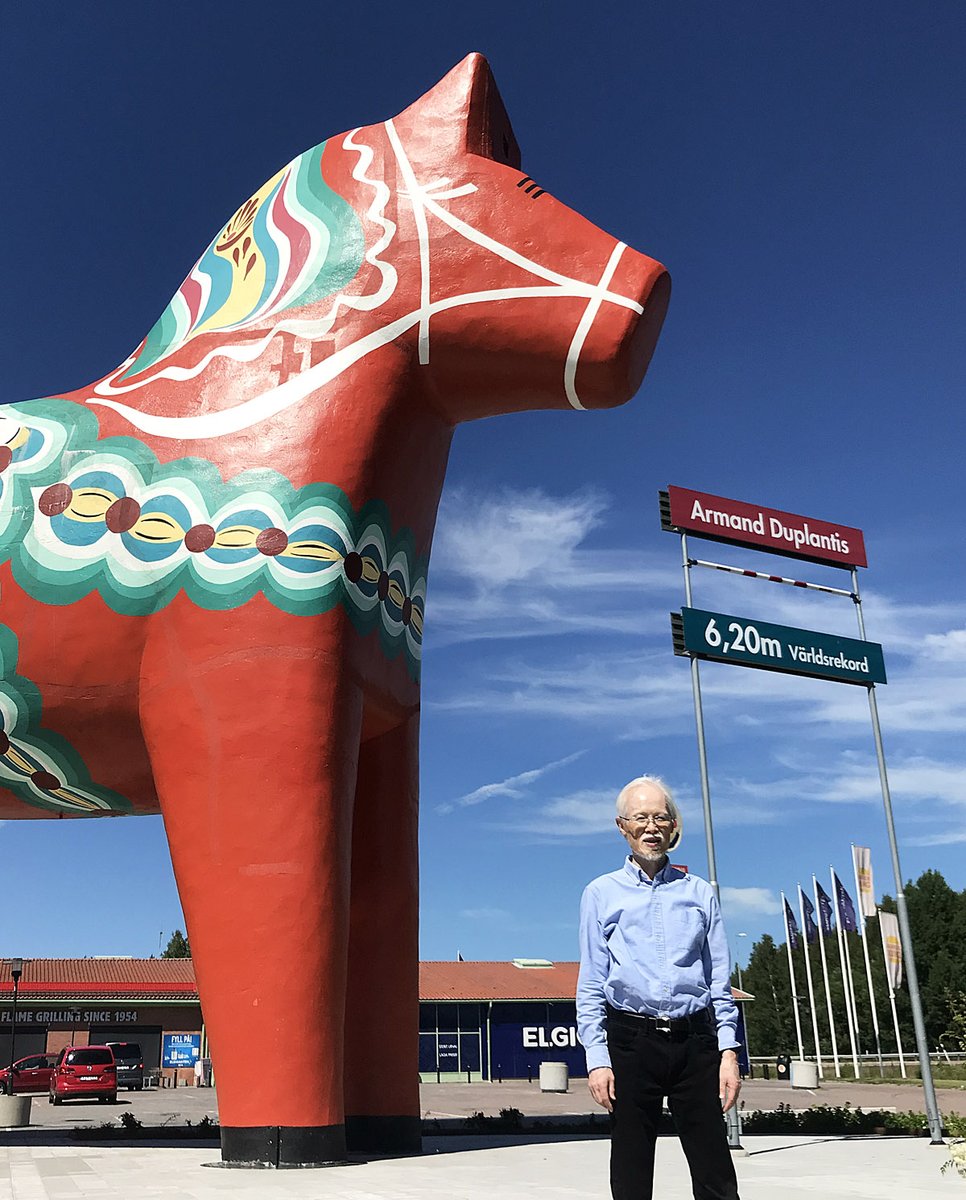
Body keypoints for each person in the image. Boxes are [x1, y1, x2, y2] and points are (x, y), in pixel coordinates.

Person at [577, 775, 741, 1200]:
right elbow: (592, 981)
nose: (651, 827)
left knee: (714, 1169)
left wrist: (728, 1052)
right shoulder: (600, 893)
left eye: (660, 817)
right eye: (641, 818)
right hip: (631, 1041)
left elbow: (718, 978)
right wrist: (597, 1058)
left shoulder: (699, 893)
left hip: (695, 1041)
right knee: (630, 1170)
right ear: (622, 826)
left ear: (673, 825)